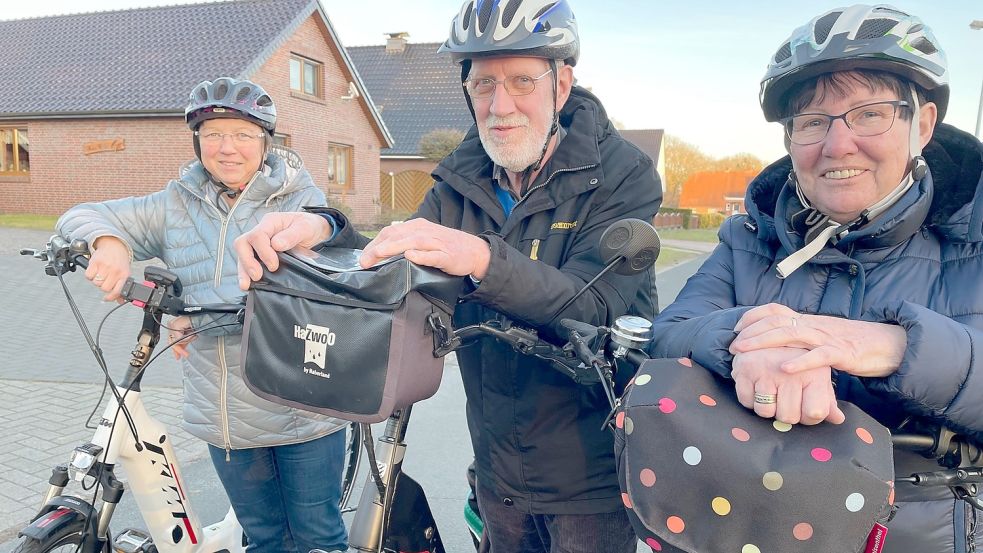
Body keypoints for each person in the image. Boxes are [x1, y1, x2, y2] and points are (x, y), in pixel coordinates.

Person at [234, 1, 662, 551]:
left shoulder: (623, 173)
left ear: (561, 84)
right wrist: (324, 230)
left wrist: (481, 258)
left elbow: (593, 305)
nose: (500, 105)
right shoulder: (462, 177)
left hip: (592, 475)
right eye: (483, 84)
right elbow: (395, 262)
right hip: (496, 467)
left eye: (522, 81)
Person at [648, 5, 983, 552]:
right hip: (758, 526)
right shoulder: (749, 238)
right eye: (812, 122)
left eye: (869, 113)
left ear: (921, 125)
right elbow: (672, 331)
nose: (837, 144)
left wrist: (899, 348)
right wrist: (750, 339)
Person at [56, 77, 349, 553]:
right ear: (197, 142)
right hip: (224, 415)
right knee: (264, 540)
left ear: (265, 142)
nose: (226, 147)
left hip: (304, 409)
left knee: (319, 540)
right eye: (213, 134)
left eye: (242, 134)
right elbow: (83, 212)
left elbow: (337, 257)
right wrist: (107, 243)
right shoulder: (176, 203)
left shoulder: (298, 202)